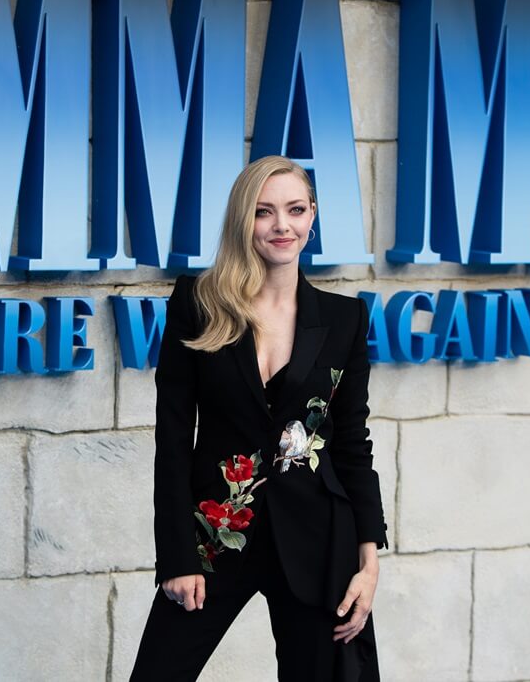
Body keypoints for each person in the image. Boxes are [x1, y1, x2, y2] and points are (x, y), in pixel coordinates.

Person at [130, 156, 387, 681]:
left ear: (312, 216)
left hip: (319, 541)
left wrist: (369, 558)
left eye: (295, 210)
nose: (281, 226)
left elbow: (352, 443)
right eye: (264, 212)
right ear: (243, 220)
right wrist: (176, 556)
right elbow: (174, 439)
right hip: (216, 533)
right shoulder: (198, 304)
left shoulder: (344, 319)